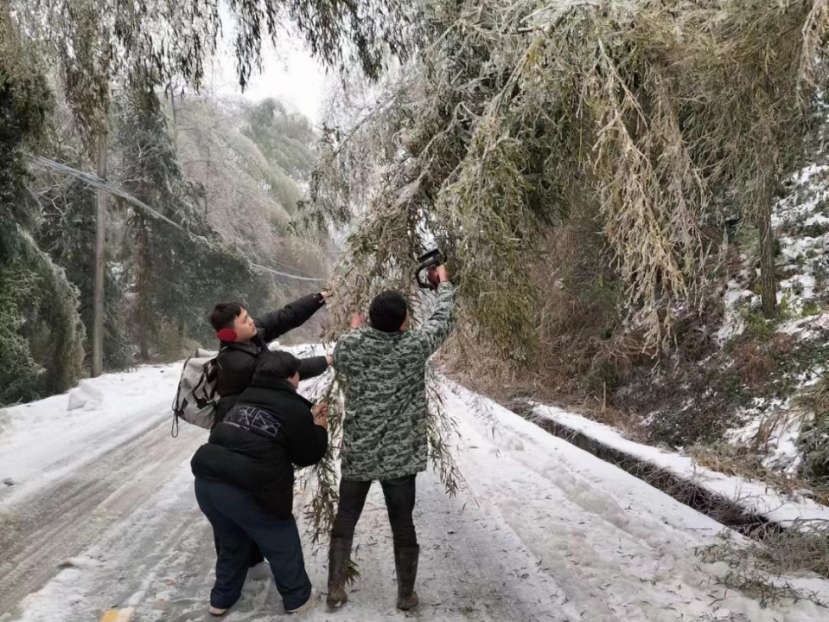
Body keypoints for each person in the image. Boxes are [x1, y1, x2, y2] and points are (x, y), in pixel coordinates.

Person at [326, 265, 454, 610]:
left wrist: (355, 331)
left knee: (346, 516)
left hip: (360, 451)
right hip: (400, 457)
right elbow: (443, 320)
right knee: (402, 522)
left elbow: (343, 356)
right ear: (403, 323)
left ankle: (335, 588)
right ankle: (405, 595)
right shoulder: (414, 346)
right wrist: (444, 283)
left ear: (370, 318)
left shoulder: (351, 344)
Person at [191, 351, 329, 616]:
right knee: (281, 540)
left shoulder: (244, 397)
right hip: (248, 488)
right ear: (291, 377)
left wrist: (306, 418)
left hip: (207, 483)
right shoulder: (292, 407)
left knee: (232, 542)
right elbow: (308, 454)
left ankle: (220, 600)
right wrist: (319, 427)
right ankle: (298, 598)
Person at [209, 293, 331, 571]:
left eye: (248, 315)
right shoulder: (237, 363)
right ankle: (239, 565)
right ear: (229, 333)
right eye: (244, 320)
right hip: (237, 428)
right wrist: (328, 360)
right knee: (239, 493)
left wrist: (318, 298)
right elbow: (289, 370)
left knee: (250, 494)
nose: (251, 321)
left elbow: (286, 316)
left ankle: (251, 560)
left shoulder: (250, 335)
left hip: (255, 424)